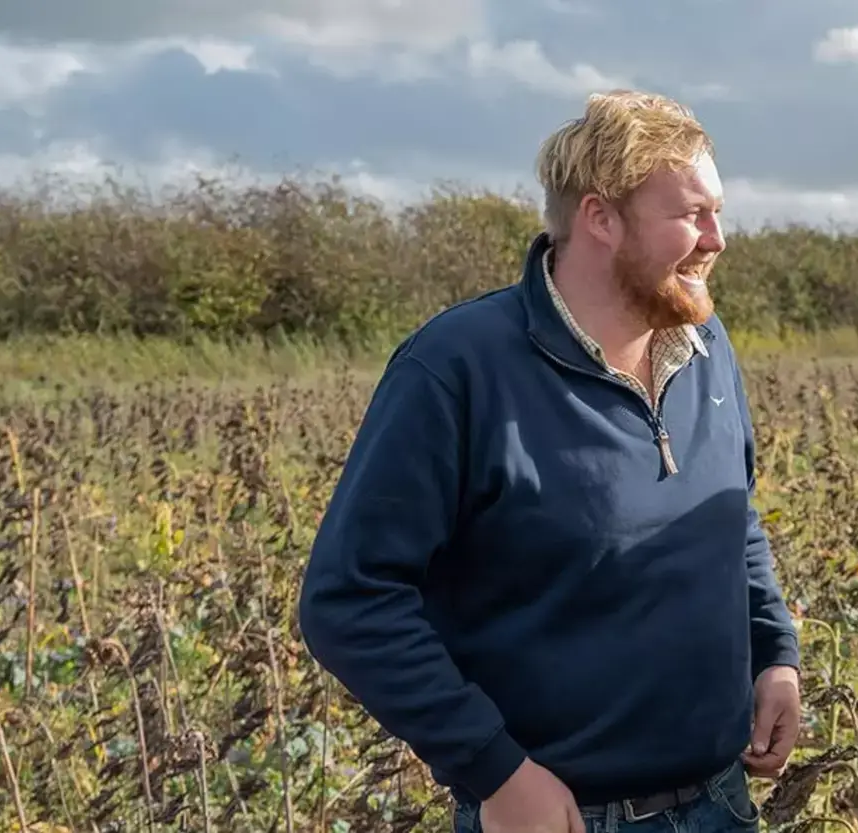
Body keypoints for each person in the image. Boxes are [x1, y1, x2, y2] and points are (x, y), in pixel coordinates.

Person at [298, 89, 803, 833]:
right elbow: (350, 599)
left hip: (719, 804)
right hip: (559, 817)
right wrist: (495, 769)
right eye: (691, 214)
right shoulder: (458, 369)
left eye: (717, 211)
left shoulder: (704, 345)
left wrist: (774, 652)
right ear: (600, 218)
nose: (716, 238)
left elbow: (733, 514)